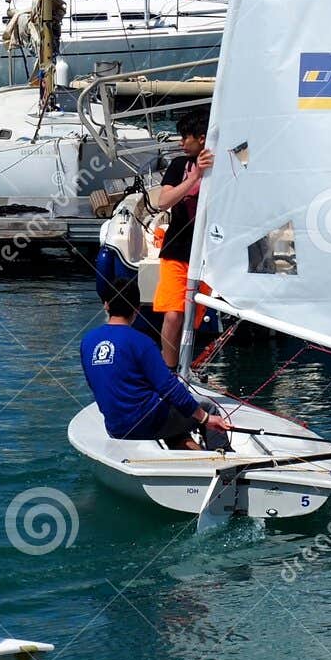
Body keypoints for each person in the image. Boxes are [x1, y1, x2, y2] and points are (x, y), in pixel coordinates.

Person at [81, 283, 232, 448]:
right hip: (148, 423)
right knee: (208, 408)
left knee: (175, 426)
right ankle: (225, 462)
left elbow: (97, 383)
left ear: (106, 305)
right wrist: (205, 418)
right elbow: (169, 387)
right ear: (137, 308)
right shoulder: (141, 342)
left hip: (116, 428)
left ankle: (194, 458)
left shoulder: (87, 341)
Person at [152, 114, 212, 370]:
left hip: (208, 254)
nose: (180, 143)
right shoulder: (179, 166)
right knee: (173, 314)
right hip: (176, 251)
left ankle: (187, 368)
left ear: (201, 139)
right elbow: (163, 202)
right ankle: (168, 370)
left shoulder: (225, 167)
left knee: (193, 318)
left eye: (185, 137)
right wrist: (194, 178)